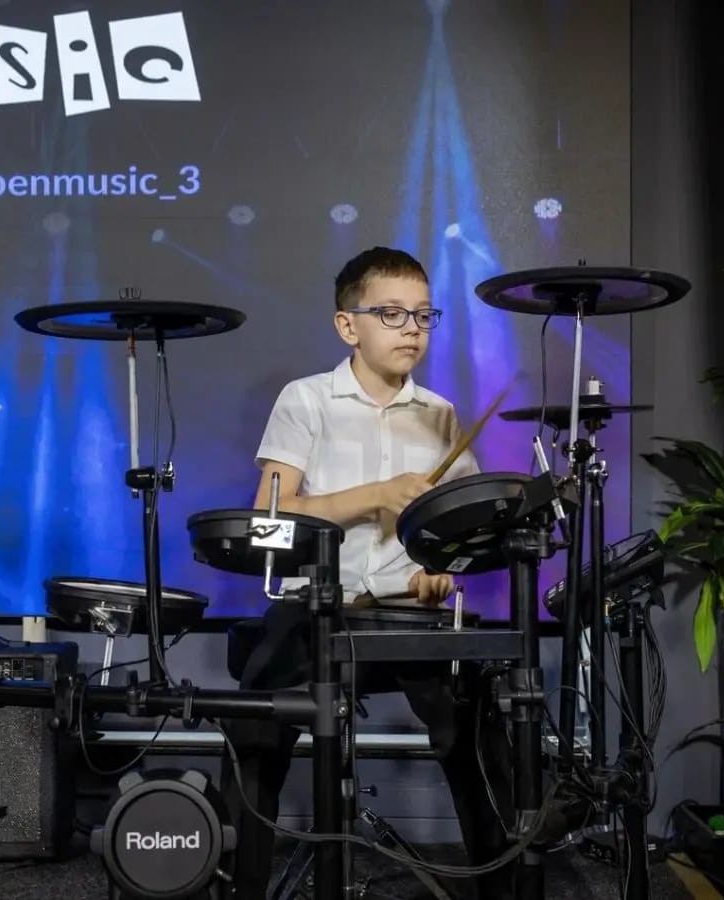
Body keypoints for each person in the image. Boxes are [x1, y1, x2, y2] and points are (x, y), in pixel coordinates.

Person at [219, 246, 515, 899]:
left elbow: (454, 537)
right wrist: (375, 495)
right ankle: (238, 889)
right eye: (391, 313)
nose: (412, 329)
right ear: (347, 325)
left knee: (476, 717)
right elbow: (269, 517)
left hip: (406, 615)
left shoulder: (440, 413)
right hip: (316, 608)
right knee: (251, 724)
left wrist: (437, 572)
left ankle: (501, 885)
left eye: (423, 315)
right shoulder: (306, 400)